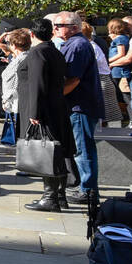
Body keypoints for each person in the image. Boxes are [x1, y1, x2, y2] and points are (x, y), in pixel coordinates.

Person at [20, 18, 77, 211]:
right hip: (57, 106)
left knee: (48, 152)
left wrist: (35, 111)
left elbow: (38, 83)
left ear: (32, 34)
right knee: (57, 150)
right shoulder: (54, 50)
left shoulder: (38, 52)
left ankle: (50, 197)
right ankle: (59, 196)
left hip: (44, 109)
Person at [53, 12, 103, 205]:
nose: (55, 28)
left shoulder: (77, 45)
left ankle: (89, 191)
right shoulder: (75, 43)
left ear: (74, 27)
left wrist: (55, 97)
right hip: (78, 105)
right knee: (81, 149)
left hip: (80, 105)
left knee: (83, 150)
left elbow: (73, 79)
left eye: (59, 24)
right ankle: (86, 188)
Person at [0, 28, 31, 143]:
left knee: (20, 135)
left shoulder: (21, 60)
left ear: (14, 45)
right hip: (17, 101)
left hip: (17, 102)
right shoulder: (20, 58)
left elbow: (13, 83)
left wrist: (6, 100)